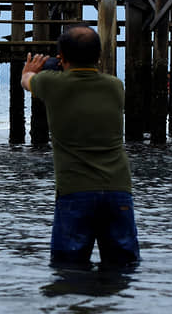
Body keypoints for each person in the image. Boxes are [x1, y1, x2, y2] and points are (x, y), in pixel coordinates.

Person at [21, 25, 140, 268]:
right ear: (99, 57)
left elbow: (27, 81)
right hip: (118, 189)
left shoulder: (52, 84)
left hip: (75, 190)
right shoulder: (115, 86)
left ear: (61, 58)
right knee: (123, 267)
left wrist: (31, 69)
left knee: (69, 269)